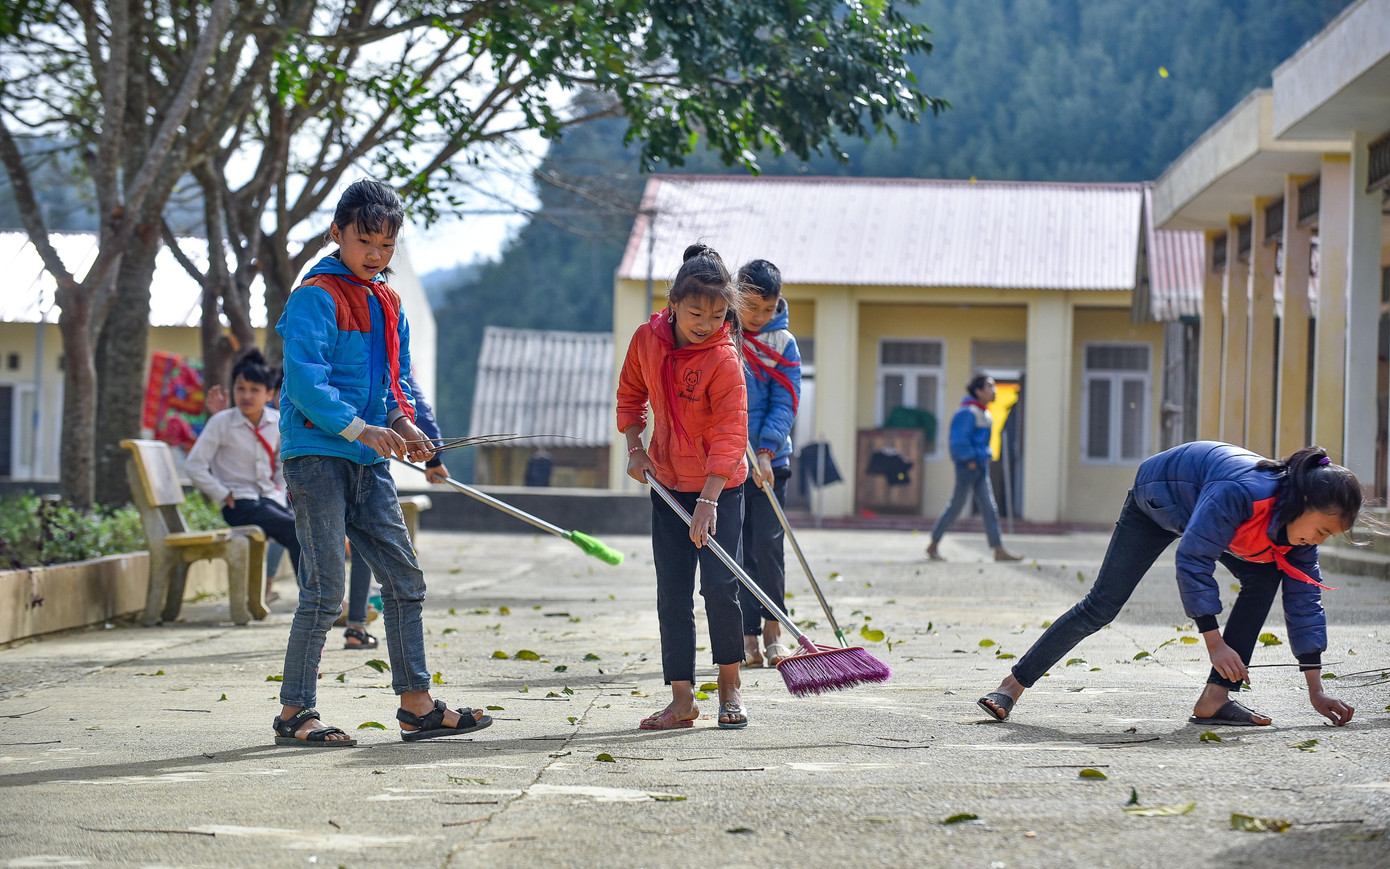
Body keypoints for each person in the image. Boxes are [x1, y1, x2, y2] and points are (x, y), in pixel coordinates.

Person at [271, 179, 491, 746]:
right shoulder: (313, 296)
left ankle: (416, 707)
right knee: (324, 588)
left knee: (405, 580)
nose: (376, 254)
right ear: (336, 234)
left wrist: (406, 426)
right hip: (317, 455)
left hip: (368, 459)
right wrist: (363, 429)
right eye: (365, 241)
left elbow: (394, 385)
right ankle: (295, 712)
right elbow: (305, 383)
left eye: (387, 245)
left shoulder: (388, 303)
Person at [977, 442, 1362, 728]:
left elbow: (1305, 599)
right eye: (1323, 529)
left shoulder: (1300, 537)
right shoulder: (1242, 493)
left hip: (1202, 509)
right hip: (1157, 501)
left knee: (1264, 579)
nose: (1320, 540)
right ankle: (1011, 686)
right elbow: (1194, 559)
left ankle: (1215, 699)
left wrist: (1316, 688)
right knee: (1101, 605)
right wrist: (1215, 642)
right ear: (1304, 499)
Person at [618, 243, 754, 730]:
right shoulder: (646, 340)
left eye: (718, 314)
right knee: (672, 593)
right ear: (672, 304)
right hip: (668, 484)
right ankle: (682, 700)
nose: (706, 322)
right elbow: (631, 396)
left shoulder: (724, 360)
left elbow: (730, 434)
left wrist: (710, 500)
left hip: (720, 490)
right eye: (696, 311)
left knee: (720, 589)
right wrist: (636, 447)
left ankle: (730, 689)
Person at [342, 368, 451, 651]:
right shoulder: (386, 344)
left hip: (318, 455)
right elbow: (409, 397)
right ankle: (355, 625)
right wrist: (433, 458)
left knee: (328, 553)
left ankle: (350, 624)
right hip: (363, 460)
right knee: (367, 542)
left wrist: (430, 455)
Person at [185, 349, 301, 587]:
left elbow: (282, 465)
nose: (246, 395)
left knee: (306, 528)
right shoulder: (221, 422)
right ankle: (321, 603)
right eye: (240, 388)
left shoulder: (277, 421)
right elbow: (194, 465)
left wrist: (279, 493)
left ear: (269, 393)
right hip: (237, 502)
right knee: (296, 531)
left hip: (269, 499)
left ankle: (322, 600)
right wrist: (222, 494)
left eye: (254, 390)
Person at [735, 259, 801, 669]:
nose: (760, 317)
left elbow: (786, 399)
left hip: (770, 460)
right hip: (728, 459)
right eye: (751, 307)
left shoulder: (783, 342)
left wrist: (766, 449)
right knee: (736, 551)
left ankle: (774, 626)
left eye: (768, 308)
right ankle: (747, 637)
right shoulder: (721, 337)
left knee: (767, 545)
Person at [925, 373, 1022, 562]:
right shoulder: (967, 412)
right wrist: (968, 459)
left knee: (989, 508)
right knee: (956, 507)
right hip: (968, 467)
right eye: (990, 387)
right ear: (978, 391)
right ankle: (933, 544)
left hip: (980, 466)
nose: (994, 391)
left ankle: (998, 549)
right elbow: (958, 441)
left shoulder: (985, 413)